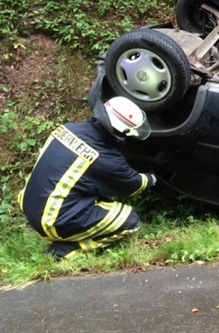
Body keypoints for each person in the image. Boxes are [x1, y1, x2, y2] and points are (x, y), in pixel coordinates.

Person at [17, 96, 157, 259]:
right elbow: (133, 184)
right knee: (128, 220)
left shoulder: (67, 128)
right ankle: (67, 251)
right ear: (121, 133)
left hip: (29, 203)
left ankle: (66, 231)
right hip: (52, 220)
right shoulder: (105, 158)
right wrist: (152, 177)